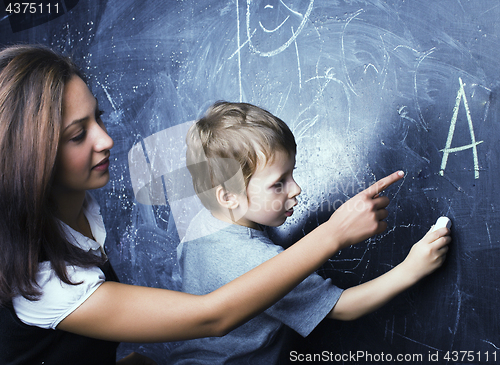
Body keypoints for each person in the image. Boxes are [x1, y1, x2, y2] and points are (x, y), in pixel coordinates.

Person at [0, 45, 405, 365]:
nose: (105, 140)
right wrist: (334, 233)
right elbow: (212, 316)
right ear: (31, 156)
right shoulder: (41, 280)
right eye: (77, 135)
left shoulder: (79, 207)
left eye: (98, 118)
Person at [169, 101, 451, 364]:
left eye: (292, 173)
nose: (296, 189)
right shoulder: (258, 261)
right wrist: (411, 269)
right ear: (229, 197)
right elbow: (343, 307)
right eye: (278, 183)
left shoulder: (201, 225)